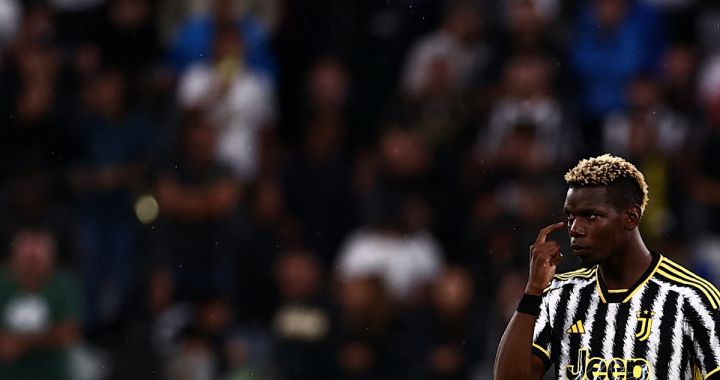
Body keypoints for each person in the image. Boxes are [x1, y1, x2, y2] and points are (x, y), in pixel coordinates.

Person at [494, 154, 720, 380]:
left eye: (590, 216)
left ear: (631, 218)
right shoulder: (560, 295)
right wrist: (533, 290)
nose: (575, 229)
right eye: (570, 217)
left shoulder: (691, 298)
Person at [0, 228, 81, 380]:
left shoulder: (62, 284)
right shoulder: (2, 283)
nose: (32, 268)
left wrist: (21, 342)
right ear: (13, 259)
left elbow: (70, 333)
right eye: (27, 261)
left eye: (36, 261)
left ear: (51, 261)